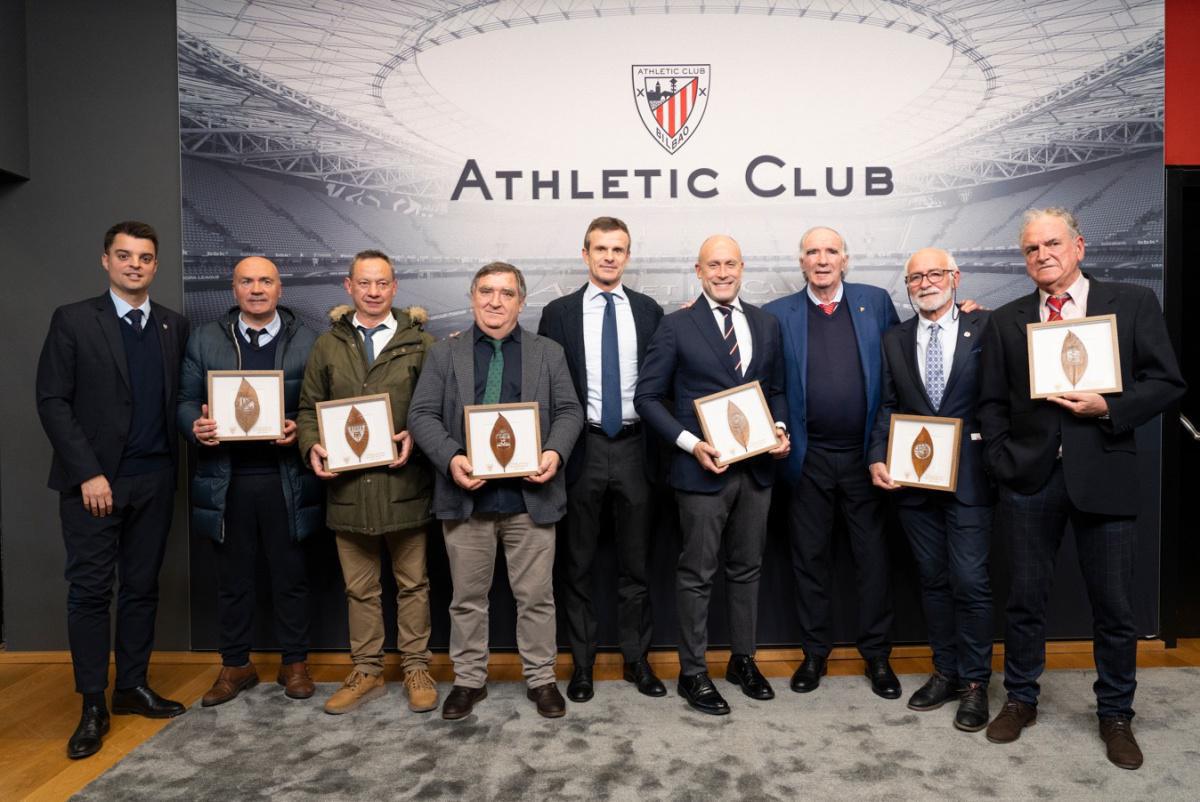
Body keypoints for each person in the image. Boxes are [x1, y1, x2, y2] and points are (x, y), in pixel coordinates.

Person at [978, 208, 1185, 769]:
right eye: (1029, 249)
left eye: (1052, 243)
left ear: (1079, 247)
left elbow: (1168, 382)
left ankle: (1116, 713)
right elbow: (992, 402)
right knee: (1023, 601)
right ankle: (1021, 699)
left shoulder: (1133, 302)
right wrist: (1001, 461)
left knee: (1115, 606)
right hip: (1029, 479)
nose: (1041, 255)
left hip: (1106, 474)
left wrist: (1109, 408)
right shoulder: (1006, 320)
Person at [36, 221, 191, 759]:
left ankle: (130, 686)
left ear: (155, 265)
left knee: (141, 588)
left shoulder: (174, 325)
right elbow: (52, 401)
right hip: (93, 485)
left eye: (144, 258)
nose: (134, 265)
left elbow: (181, 400)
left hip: (155, 479)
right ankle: (91, 704)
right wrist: (88, 473)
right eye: (124, 256)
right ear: (106, 260)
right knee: (90, 593)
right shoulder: (74, 320)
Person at [409, 262, 583, 720]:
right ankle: (468, 681)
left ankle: (541, 679)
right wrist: (451, 459)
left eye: (506, 293)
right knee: (466, 599)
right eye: (486, 291)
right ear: (472, 297)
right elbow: (421, 415)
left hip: (531, 498)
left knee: (537, 597)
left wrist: (554, 453)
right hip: (467, 499)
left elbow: (569, 411)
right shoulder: (445, 355)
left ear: (521, 302)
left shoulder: (549, 352)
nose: (495, 301)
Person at [634, 235, 790, 716]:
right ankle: (693, 672)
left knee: (747, 569)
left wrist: (779, 428)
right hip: (702, 472)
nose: (722, 273)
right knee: (697, 574)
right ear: (697, 272)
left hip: (757, 470)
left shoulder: (766, 323)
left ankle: (742, 660)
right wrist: (691, 444)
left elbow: (777, 390)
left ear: (743, 267)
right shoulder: (676, 326)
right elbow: (647, 398)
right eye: (712, 266)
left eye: (730, 264)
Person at [296, 250, 438, 715]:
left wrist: (415, 438)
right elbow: (307, 410)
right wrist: (313, 445)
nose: (373, 291)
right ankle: (367, 670)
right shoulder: (327, 345)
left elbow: (435, 409)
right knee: (360, 588)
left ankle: (417, 666)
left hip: (405, 486)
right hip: (349, 491)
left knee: (413, 584)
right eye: (364, 283)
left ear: (394, 287)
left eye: (382, 283)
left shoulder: (422, 344)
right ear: (348, 286)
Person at [763, 226, 902, 699]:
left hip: (867, 458)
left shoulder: (876, 301)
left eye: (831, 251)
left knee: (873, 560)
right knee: (809, 559)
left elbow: (903, 354)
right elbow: (770, 384)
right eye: (812, 252)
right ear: (800, 262)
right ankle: (815, 653)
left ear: (846, 258)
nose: (822, 260)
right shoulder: (777, 314)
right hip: (808, 458)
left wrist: (966, 313)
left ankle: (878, 656)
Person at [178, 256, 323, 706]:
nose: (256, 289)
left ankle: (294, 662)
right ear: (234, 289)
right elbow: (185, 400)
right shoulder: (205, 338)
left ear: (280, 289)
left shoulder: (309, 339)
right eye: (246, 281)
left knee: (291, 575)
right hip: (226, 479)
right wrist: (193, 427)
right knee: (232, 579)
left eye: (265, 281)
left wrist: (302, 428)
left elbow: (323, 404)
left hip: (287, 479)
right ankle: (235, 663)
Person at [537, 217, 667, 703]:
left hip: (637, 448)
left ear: (628, 255)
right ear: (585, 254)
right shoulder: (558, 313)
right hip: (581, 449)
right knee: (578, 564)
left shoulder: (650, 311)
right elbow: (547, 387)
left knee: (636, 564)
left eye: (618, 249)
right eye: (600, 248)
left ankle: (637, 661)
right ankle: (583, 664)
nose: (609, 257)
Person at [867, 247, 994, 732]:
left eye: (934, 273)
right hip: (914, 479)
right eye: (915, 277)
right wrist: (878, 455)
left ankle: (976, 684)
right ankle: (946, 672)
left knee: (970, 581)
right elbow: (887, 404)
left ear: (955, 277)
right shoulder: (893, 339)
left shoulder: (987, 327)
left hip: (971, 479)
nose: (925, 282)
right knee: (934, 580)